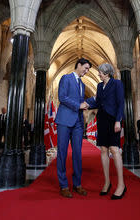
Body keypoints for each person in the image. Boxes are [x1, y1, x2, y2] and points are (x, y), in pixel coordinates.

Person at [87, 63, 126, 200]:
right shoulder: (99, 86)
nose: (99, 74)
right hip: (102, 119)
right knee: (103, 149)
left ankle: (121, 185)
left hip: (112, 119)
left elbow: (121, 103)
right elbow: (97, 102)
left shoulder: (117, 83)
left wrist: (118, 120)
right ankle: (107, 182)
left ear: (107, 73)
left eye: (101, 73)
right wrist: (84, 104)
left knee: (114, 150)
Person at [55, 58, 91, 198]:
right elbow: (62, 97)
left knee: (77, 154)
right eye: (86, 68)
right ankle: (63, 185)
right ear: (79, 65)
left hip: (78, 123)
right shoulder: (66, 78)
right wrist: (79, 105)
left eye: (88, 70)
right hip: (64, 120)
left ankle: (77, 184)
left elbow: (81, 102)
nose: (86, 71)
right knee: (62, 153)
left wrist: (87, 105)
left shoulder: (82, 84)